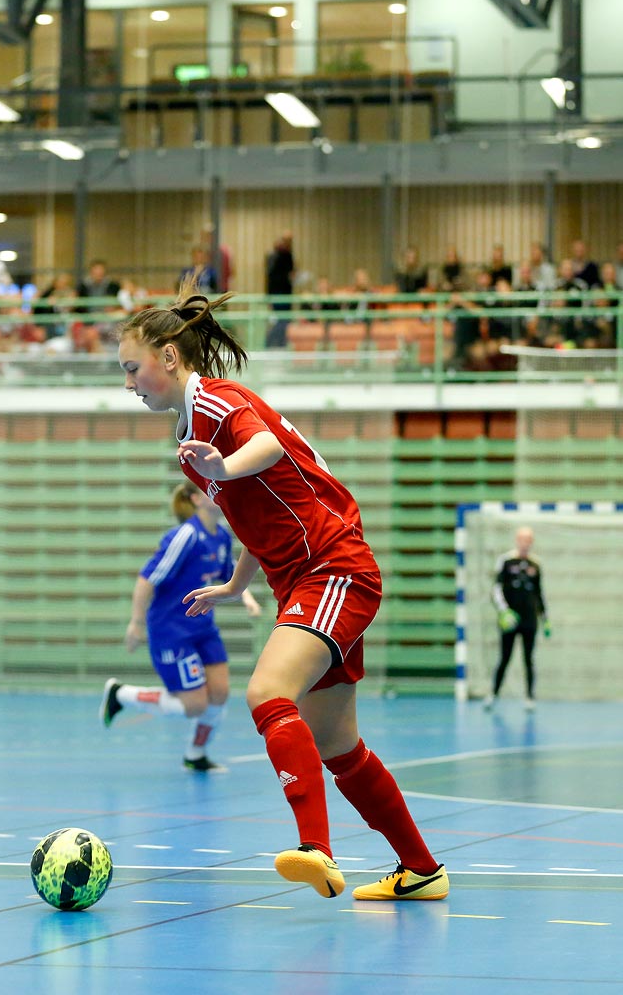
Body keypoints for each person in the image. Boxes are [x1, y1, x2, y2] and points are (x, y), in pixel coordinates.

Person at [115, 277, 448, 902]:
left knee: (267, 693)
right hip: (306, 577)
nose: (129, 384)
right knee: (336, 744)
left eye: (133, 369)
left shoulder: (216, 404)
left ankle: (316, 849)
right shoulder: (191, 447)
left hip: (334, 566)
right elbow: (252, 518)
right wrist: (233, 582)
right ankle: (422, 869)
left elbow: (264, 446)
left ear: (168, 357)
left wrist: (226, 464)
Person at [99, 481, 260, 771]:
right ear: (197, 499)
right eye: (210, 491)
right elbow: (146, 579)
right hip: (171, 630)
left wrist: (246, 597)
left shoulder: (221, 536)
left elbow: (230, 577)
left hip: (203, 627)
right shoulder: (185, 536)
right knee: (194, 705)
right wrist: (136, 623)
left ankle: (196, 754)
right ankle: (121, 694)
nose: (218, 494)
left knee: (220, 692)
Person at [485, 526, 548, 712]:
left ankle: (530, 696)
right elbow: (496, 589)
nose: (525, 543)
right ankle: (493, 694)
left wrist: (545, 617)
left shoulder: (535, 564)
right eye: (522, 539)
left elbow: (539, 593)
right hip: (510, 620)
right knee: (504, 657)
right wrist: (504, 611)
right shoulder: (505, 561)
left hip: (530, 619)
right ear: (517, 540)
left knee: (529, 658)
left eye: (529, 539)